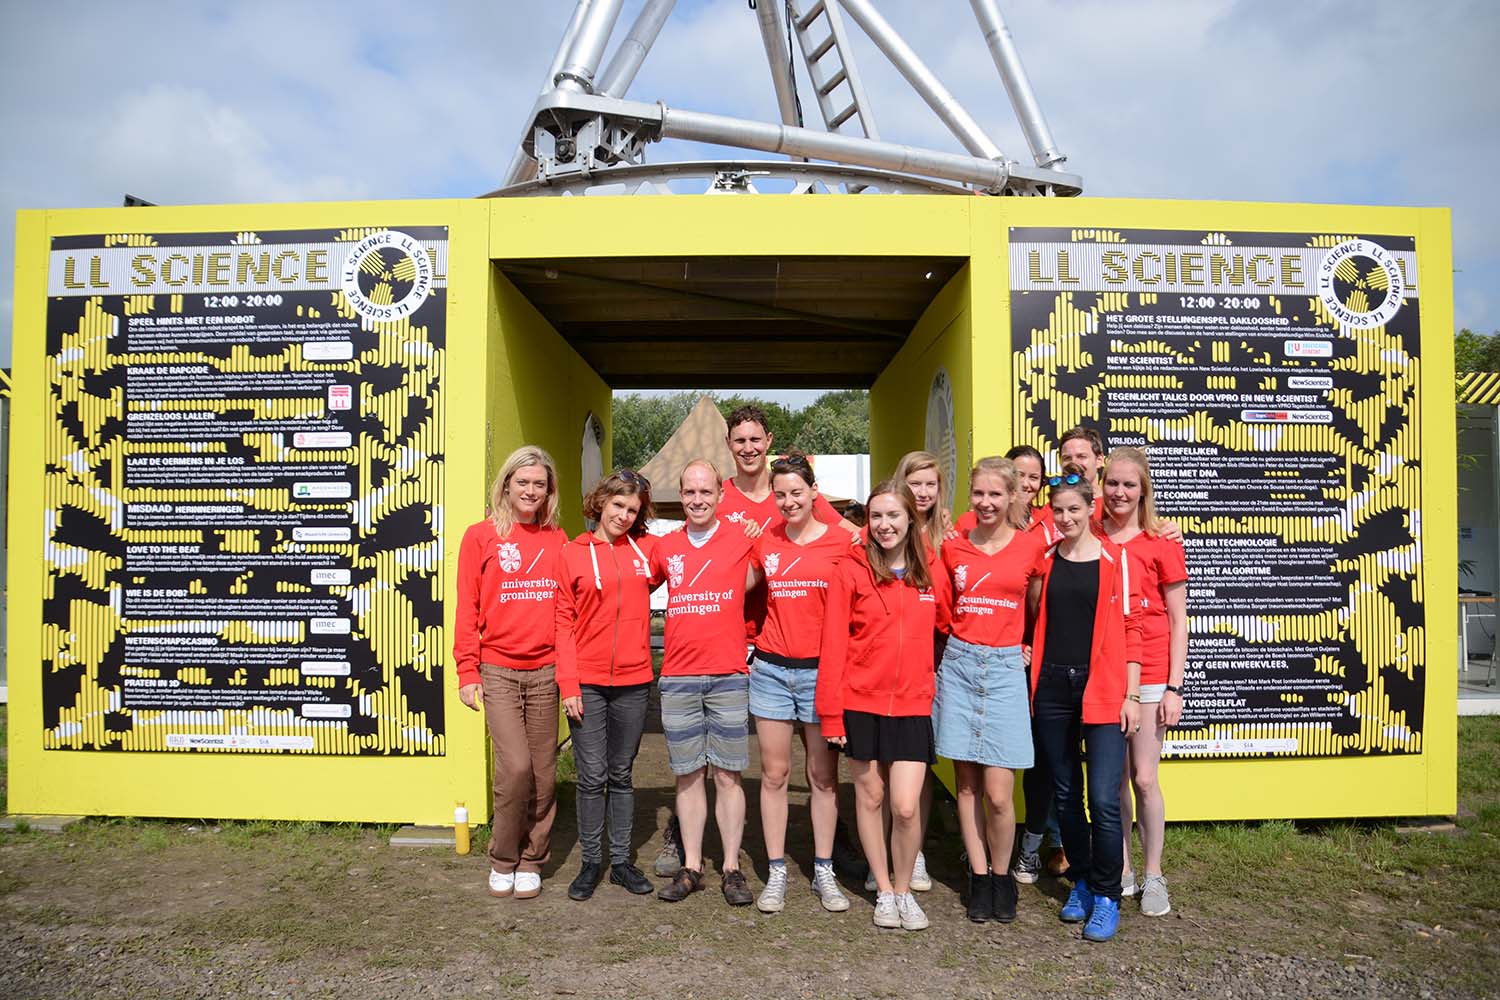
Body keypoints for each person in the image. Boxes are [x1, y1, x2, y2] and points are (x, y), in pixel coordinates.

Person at [1026, 464, 1143, 943]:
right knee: (1067, 796)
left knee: (1104, 801)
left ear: (1091, 509)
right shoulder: (1046, 559)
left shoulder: (1117, 560)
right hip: (1053, 688)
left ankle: (1108, 893)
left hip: (1103, 689)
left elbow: (1134, 630)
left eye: (1074, 509)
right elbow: (1029, 613)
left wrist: (1132, 695)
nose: (1066, 517)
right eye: (1058, 511)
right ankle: (1083, 884)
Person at [818, 481, 941, 931]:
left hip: (912, 703)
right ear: (867, 522)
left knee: (906, 806)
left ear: (910, 519)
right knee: (870, 797)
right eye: (876, 517)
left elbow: (950, 623)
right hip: (860, 701)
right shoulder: (850, 570)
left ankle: (905, 888)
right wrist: (831, 714)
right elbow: (833, 646)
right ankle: (884, 890)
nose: (885, 525)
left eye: (893, 516)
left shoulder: (931, 571)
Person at [454, 446, 567, 901]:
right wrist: (467, 670)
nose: (531, 491)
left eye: (539, 484)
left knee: (542, 770)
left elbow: (565, 611)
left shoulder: (558, 540)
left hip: (545, 670)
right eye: (523, 482)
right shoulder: (481, 537)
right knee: (515, 768)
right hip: (497, 668)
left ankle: (530, 859)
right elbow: (468, 608)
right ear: (506, 484)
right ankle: (503, 856)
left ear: (548, 491)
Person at [935, 458, 1046, 923]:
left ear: (1012, 497)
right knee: (966, 785)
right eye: (978, 494)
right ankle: (979, 878)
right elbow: (943, 610)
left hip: (1003, 672)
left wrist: (1025, 647)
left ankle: (1003, 877)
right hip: (960, 665)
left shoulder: (1030, 549)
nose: (985, 502)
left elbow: (1038, 609)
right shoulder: (953, 549)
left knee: (1000, 793)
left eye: (995, 494)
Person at [745, 452, 852, 914]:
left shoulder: (843, 543)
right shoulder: (766, 541)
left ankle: (824, 869)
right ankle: (776, 870)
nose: (788, 501)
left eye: (796, 492)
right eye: (780, 494)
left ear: (814, 493)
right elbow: (735, 587)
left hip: (821, 674)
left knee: (823, 777)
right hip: (770, 669)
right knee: (773, 774)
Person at [651, 459, 760, 907]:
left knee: (730, 776)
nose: (698, 500)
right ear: (682, 496)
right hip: (677, 675)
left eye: (706, 493)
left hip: (728, 674)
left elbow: (795, 550)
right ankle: (692, 866)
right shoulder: (665, 546)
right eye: (690, 493)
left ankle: (731, 868)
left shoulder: (743, 538)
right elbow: (628, 582)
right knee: (687, 775)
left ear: (720, 495)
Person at [555, 469, 662, 901]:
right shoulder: (573, 553)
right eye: (617, 505)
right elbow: (563, 622)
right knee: (591, 775)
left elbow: (698, 552)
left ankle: (620, 862)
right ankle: (590, 863)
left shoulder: (648, 551)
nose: (623, 514)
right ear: (600, 502)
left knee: (621, 773)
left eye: (632, 509)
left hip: (635, 682)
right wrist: (569, 684)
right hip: (588, 683)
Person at [1100, 448, 1187, 918]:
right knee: (1112, 782)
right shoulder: (1091, 533)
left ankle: (1154, 874)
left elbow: (1179, 619)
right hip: (1107, 673)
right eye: (1112, 483)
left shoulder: (1162, 541)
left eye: (1129, 485)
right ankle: (1123, 869)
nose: (1119, 493)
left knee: (1145, 778)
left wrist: (1174, 686)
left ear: (1143, 490)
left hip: (1152, 671)